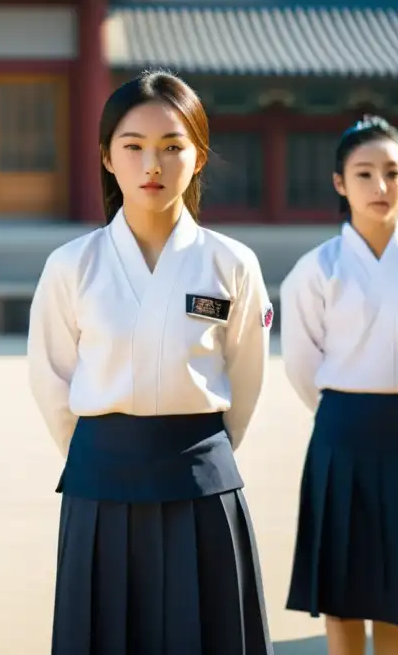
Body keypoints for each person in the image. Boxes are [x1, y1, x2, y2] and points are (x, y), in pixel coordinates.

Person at [27, 70, 274, 655]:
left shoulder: (232, 264)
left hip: (201, 478)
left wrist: (205, 452)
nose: (152, 165)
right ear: (108, 159)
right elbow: (52, 377)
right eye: (133, 147)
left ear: (199, 156)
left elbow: (246, 374)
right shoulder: (72, 264)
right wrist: (100, 450)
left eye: (172, 147)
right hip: (101, 478)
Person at [281, 116, 398, 655]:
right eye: (364, 173)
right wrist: (344, 411)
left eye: (392, 172)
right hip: (341, 434)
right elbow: (301, 364)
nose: (380, 186)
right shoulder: (315, 270)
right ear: (339, 183)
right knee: (343, 586)